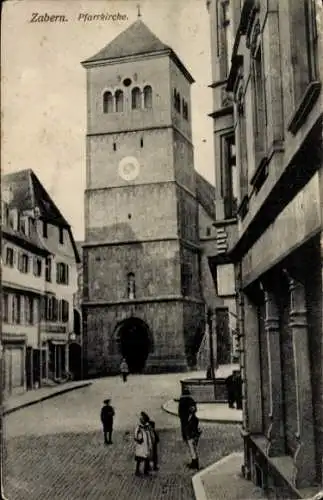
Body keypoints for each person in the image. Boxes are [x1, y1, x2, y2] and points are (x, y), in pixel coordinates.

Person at [134, 412, 153, 476]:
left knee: (147, 457)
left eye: (143, 419)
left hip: (147, 444)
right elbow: (135, 435)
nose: (141, 420)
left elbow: (151, 435)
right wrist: (138, 439)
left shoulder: (148, 426)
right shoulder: (139, 427)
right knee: (139, 458)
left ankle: (145, 470)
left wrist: (151, 442)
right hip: (141, 445)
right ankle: (137, 471)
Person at [185, 404, 202, 470]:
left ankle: (195, 463)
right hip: (190, 436)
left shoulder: (194, 419)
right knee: (192, 450)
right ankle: (194, 462)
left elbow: (194, 429)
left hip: (192, 437)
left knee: (193, 450)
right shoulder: (191, 417)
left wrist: (194, 436)